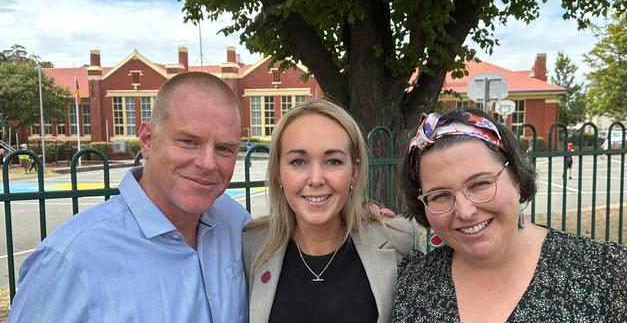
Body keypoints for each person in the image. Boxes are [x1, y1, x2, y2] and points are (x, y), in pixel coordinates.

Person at [9, 72, 252, 322]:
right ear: (147, 141)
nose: (208, 163)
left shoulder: (236, 223)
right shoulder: (69, 262)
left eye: (224, 148)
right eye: (188, 141)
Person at [391, 108, 627, 322]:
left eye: (480, 184)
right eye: (439, 196)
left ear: (516, 178)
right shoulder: (415, 282)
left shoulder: (605, 273)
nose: (466, 211)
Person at [243, 99, 424, 323]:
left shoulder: (399, 241)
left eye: (334, 161)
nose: (316, 179)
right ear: (278, 172)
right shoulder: (251, 247)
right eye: (298, 162)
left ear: (354, 171)